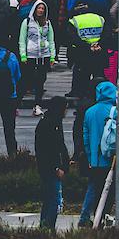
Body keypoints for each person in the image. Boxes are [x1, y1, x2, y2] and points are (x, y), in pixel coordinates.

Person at [78, 80, 116, 227]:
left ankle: (95, 217)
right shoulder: (115, 111)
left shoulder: (90, 112)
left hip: (95, 160)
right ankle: (104, 216)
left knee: (95, 188)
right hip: (111, 159)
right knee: (109, 192)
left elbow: (86, 137)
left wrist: (90, 156)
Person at [34, 96, 69, 229]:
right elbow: (48, 149)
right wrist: (56, 167)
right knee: (53, 200)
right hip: (49, 169)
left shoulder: (52, 121)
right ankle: (48, 227)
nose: (66, 111)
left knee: (49, 199)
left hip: (48, 168)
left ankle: (45, 226)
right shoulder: (50, 124)